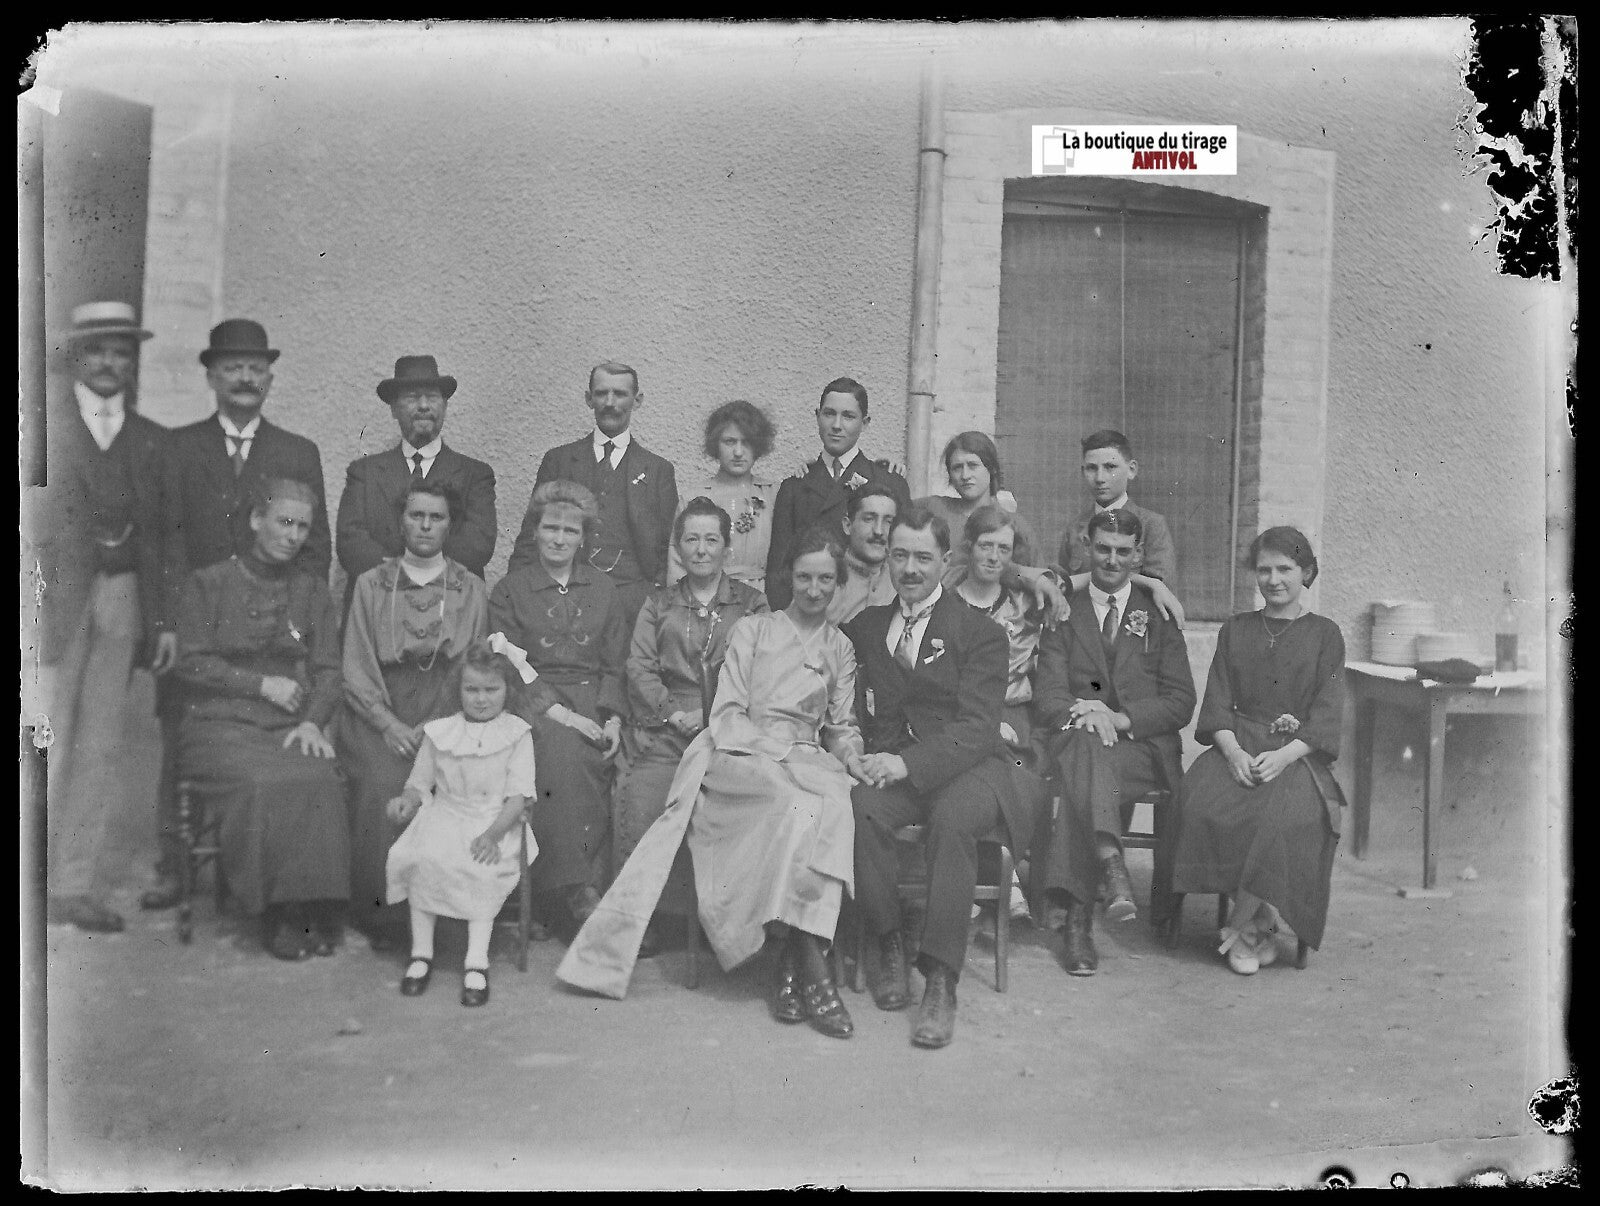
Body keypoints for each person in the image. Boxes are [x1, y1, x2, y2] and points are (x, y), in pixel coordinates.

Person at [559, 528, 865, 1042]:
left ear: (838, 583)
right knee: (793, 803)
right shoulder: (754, 630)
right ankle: (815, 970)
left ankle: (791, 963)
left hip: (806, 757)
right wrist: (777, 753)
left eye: (825, 580)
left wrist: (853, 756)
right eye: (804, 577)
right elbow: (727, 711)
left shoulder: (841, 647)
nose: (814, 590)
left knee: (829, 805)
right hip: (741, 755)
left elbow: (840, 725)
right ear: (789, 577)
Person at [144, 318, 331, 911]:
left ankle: (261, 864)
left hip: (270, 623)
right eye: (233, 368)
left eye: (256, 368)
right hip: (196, 619)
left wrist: (296, 621)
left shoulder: (296, 451)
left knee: (272, 752)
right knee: (181, 728)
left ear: (270, 378)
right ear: (212, 377)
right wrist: (166, 623)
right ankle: (175, 865)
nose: (246, 377)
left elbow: (314, 548)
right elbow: (165, 540)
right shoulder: (177, 447)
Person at [845, 506, 1036, 1050]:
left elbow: (977, 728)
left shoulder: (980, 633)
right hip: (893, 767)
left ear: (945, 560)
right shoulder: (865, 627)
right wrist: (859, 753)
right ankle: (887, 943)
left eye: (923, 558)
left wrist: (909, 764)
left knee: (953, 821)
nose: (909, 569)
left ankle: (940, 980)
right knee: (863, 808)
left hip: (969, 768)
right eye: (899, 555)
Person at [30, 302, 177, 933]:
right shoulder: (41, 427)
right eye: (97, 350)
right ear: (76, 358)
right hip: (49, 597)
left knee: (99, 744)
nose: (109, 362)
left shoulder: (151, 439)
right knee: (41, 735)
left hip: (123, 596)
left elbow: (164, 538)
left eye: (121, 351)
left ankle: (71, 883)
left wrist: (163, 621)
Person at [171, 477, 348, 960]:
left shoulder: (310, 590)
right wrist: (260, 685)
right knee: (263, 782)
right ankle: (277, 912)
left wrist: (312, 722)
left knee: (321, 778)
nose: (293, 536)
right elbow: (189, 662)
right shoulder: (208, 582)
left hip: (287, 726)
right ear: (255, 520)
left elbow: (329, 670)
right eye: (284, 522)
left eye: (303, 527)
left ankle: (312, 906)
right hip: (217, 726)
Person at [1170, 527, 1347, 975]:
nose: (1274, 579)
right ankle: (1260, 921)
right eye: (1264, 570)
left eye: (1285, 569)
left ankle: (1243, 929)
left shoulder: (1325, 634)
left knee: (1284, 819)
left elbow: (1326, 716)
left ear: (1306, 572)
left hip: (1297, 755)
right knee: (1198, 804)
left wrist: (1284, 756)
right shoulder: (1236, 629)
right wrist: (1232, 754)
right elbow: (1216, 703)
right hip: (1238, 743)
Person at [1031, 509, 1196, 977]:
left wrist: (1119, 718)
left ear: (1139, 555)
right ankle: (1107, 867)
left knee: (1085, 772)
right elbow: (1048, 694)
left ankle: (1077, 918)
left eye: (1123, 551)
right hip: (1079, 737)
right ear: (1088, 547)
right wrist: (1085, 715)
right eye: (1102, 548)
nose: (1111, 559)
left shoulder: (1158, 613)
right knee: (1086, 749)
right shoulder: (1065, 610)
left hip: (1140, 750)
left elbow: (1181, 701)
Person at [337, 481, 489, 952]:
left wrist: (439, 723)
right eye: (416, 516)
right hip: (380, 707)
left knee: (451, 785)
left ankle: (444, 911)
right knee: (386, 783)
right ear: (400, 522)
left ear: (450, 525)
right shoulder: (371, 584)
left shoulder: (469, 587)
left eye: (436, 517)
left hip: (447, 708)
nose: (425, 526)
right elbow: (356, 662)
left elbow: (473, 664)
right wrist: (387, 723)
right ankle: (386, 915)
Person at [616, 498, 768, 952]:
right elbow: (640, 667)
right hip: (667, 726)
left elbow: (760, 669)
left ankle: (723, 924)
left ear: (727, 547)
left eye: (711, 540)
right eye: (691, 540)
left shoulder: (752, 604)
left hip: (729, 724)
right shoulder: (658, 603)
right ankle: (648, 919)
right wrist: (671, 711)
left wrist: (714, 713)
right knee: (644, 798)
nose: (701, 549)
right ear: (678, 548)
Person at [491, 480, 629, 937]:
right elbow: (508, 664)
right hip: (536, 703)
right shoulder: (511, 590)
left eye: (570, 531)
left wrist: (613, 718)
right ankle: (575, 893)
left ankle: (589, 895)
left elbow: (616, 661)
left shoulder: (603, 588)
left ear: (583, 537)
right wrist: (559, 714)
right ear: (535, 531)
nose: (559, 538)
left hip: (594, 698)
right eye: (551, 528)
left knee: (614, 760)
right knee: (562, 753)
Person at [385, 640, 539, 1007]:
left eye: (491, 689)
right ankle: (421, 954)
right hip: (445, 814)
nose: (481, 699)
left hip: (495, 820)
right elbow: (419, 783)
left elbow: (518, 797)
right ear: (458, 690)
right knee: (421, 858)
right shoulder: (441, 731)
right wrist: (406, 802)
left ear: (507, 690)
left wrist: (493, 835)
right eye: (472, 690)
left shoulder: (517, 733)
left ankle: (476, 961)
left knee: (479, 868)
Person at [509, 362, 678, 629]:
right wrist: (517, 594)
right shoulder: (559, 461)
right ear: (589, 399)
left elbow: (666, 547)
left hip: (633, 604)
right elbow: (531, 535)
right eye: (601, 393)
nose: (610, 403)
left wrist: (655, 601)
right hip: (563, 597)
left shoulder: (658, 470)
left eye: (620, 394)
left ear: (637, 400)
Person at [952, 504, 1053, 920]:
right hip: (959, 717)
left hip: (1015, 715)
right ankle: (993, 877)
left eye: (1004, 549)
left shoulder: (1025, 605)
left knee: (1017, 768)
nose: (994, 557)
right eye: (985, 546)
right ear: (969, 547)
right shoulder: (946, 603)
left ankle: (1000, 873)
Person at [335, 355, 497, 614]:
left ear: (444, 405)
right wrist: (408, 575)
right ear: (394, 408)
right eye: (412, 397)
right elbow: (351, 546)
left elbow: (476, 547)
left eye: (431, 397)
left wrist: (419, 573)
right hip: (379, 609)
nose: (423, 406)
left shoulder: (475, 475)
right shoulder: (364, 473)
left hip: (450, 612)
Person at [765, 377, 910, 609]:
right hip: (811, 609)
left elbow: (904, 556)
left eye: (848, 416)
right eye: (829, 414)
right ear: (817, 416)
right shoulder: (795, 487)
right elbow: (778, 572)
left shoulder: (889, 482)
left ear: (865, 423)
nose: (836, 425)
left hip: (871, 609)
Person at [667, 401, 779, 595]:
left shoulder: (773, 494)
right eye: (729, 442)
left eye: (747, 442)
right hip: (705, 597)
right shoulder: (693, 498)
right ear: (716, 444)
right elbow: (677, 562)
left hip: (761, 599)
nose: (738, 452)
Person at [917, 431, 1043, 584]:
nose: (965, 475)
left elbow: (1037, 578)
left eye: (972, 465)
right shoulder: (934, 509)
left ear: (992, 468)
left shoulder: (1015, 525)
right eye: (957, 468)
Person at [1057, 428, 1178, 585]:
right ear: (1083, 471)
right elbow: (1063, 590)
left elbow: (1160, 589)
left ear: (1131, 470)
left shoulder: (1151, 525)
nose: (1100, 478)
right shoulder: (1074, 529)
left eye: (1110, 467)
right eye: (1092, 468)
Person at [827, 484, 901, 625]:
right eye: (869, 519)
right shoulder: (824, 579)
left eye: (888, 522)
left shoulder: (903, 580)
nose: (878, 531)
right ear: (847, 526)